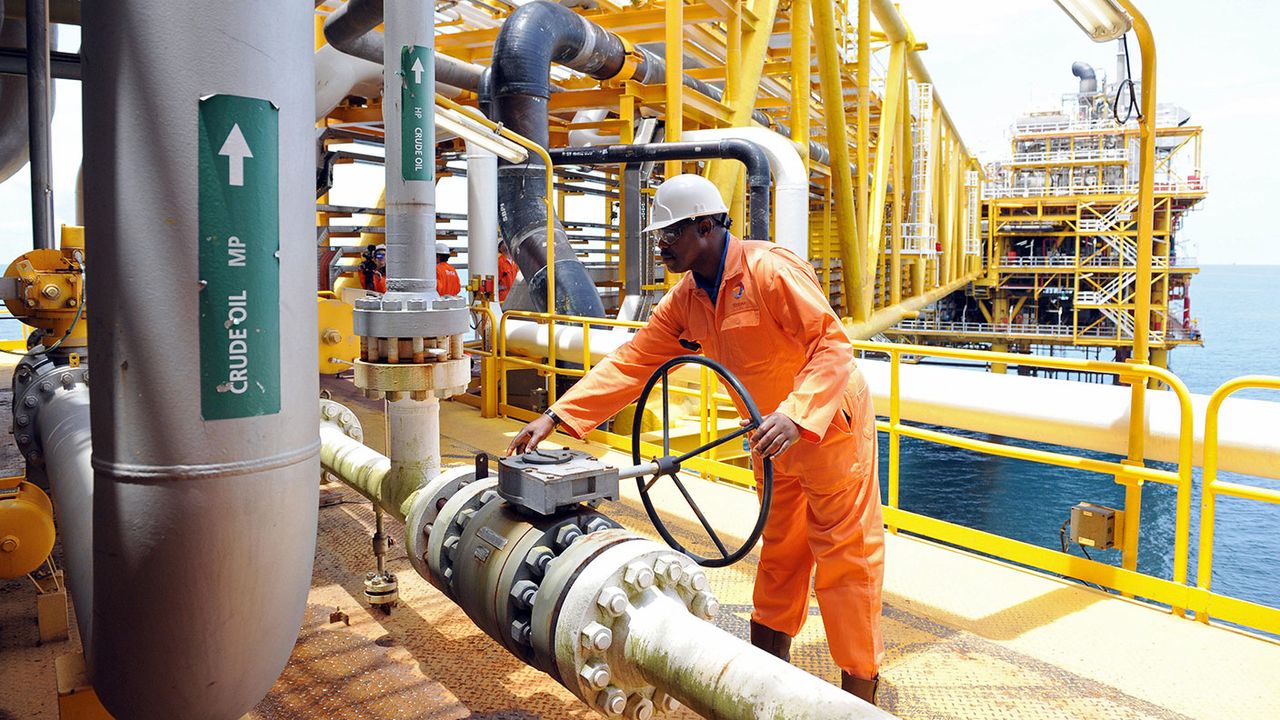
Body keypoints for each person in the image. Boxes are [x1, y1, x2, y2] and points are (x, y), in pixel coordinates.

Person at [505, 174, 884, 703]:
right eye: (658, 235)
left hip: (828, 432)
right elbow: (634, 362)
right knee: (779, 556)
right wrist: (556, 416)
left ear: (706, 227)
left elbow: (833, 346)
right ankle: (767, 690)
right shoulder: (687, 298)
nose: (660, 245)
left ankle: (859, 702)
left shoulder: (769, 269)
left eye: (669, 234)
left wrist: (796, 415)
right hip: (773, 441)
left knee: (845, 564)